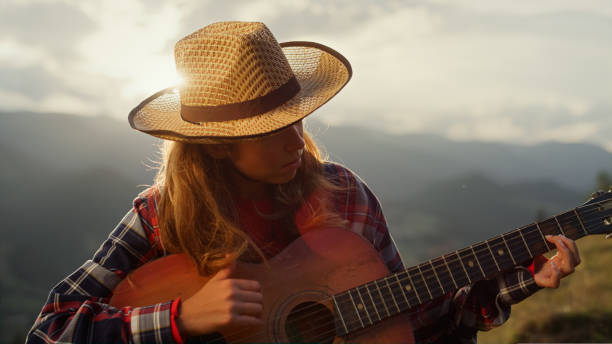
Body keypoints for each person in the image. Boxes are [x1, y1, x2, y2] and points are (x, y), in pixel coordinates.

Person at [27, 21, 581, 344]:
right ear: (217, 149)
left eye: (297, 121)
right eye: (272, 133)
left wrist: (521, 278)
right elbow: (50, 331)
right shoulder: (158, 215)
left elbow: (405, 318)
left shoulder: (343, 193)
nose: (298, 144)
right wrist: (180, 318)